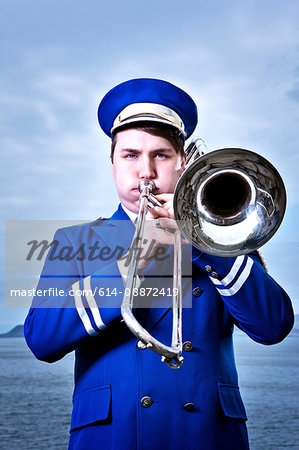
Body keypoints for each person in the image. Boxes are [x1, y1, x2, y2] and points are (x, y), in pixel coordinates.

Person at [24, 78, 294, 450]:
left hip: (209, 438)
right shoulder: (77, 242)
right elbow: (41, 339)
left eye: (161, 155)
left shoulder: (222, 238)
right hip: (112, 438)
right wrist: (144, 256)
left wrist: (201, 244)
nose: (146, 171)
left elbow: (273, 325)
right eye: (131, 155)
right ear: (113, 163)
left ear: (183, 163)